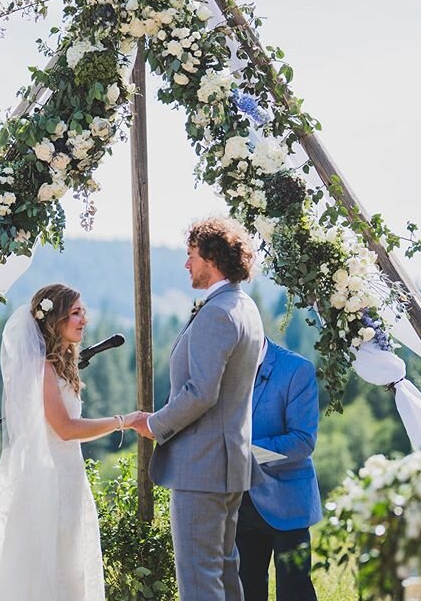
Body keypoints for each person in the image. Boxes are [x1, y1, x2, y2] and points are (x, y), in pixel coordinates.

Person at [0, 283, 142, 601]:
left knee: (69, 565)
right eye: (76, 313)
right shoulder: (42, 368)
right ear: (55, 320)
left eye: (84, 312)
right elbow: (64, 428)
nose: (84, 320)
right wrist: (124, 421)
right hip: (48, 481)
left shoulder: (61, 366)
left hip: (68, 476)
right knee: (51, 570)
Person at [132, 217, 264, 601]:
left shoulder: (218, 313)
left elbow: (201, 392)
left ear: (212, 257)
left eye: (191, 255)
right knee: (223, 573)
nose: (187, 265)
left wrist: (155, 424)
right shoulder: (245, 307)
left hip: (201, 466)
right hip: (228, 465)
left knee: (199, 580)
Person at [235, 336, 322, 601]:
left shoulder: (297, 369)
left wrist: (244, 452)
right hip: (240, 501)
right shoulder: (225, 366)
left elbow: (302, 440)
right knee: (246, 591)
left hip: (288, 503)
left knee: (295, 592)